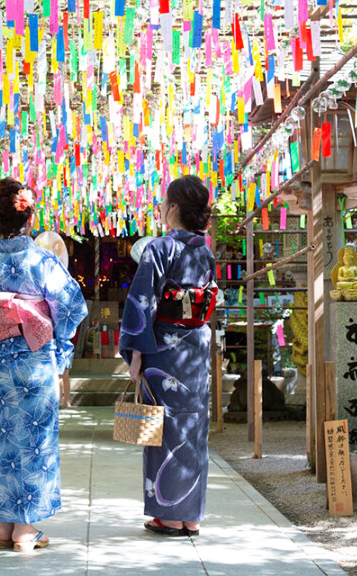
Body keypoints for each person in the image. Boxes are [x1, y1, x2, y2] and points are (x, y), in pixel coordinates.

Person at [0, 178, 88, 552]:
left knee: (1, 444)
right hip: (33, 364)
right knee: (34, 442)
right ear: (30, 217)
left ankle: (5, 527)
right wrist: (58, 346)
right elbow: (72, 309)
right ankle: (25, 529)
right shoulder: (42, 261)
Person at [119, 175, 217, 538]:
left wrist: (135, 352)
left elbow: (142, 301)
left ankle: (170, 516)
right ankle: (191, 516)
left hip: (164, 350)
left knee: (164, 427)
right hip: (196, 349)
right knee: (193, 428)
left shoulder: (160, 248)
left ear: (173, 207)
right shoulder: (204, 251)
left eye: (164, 203)